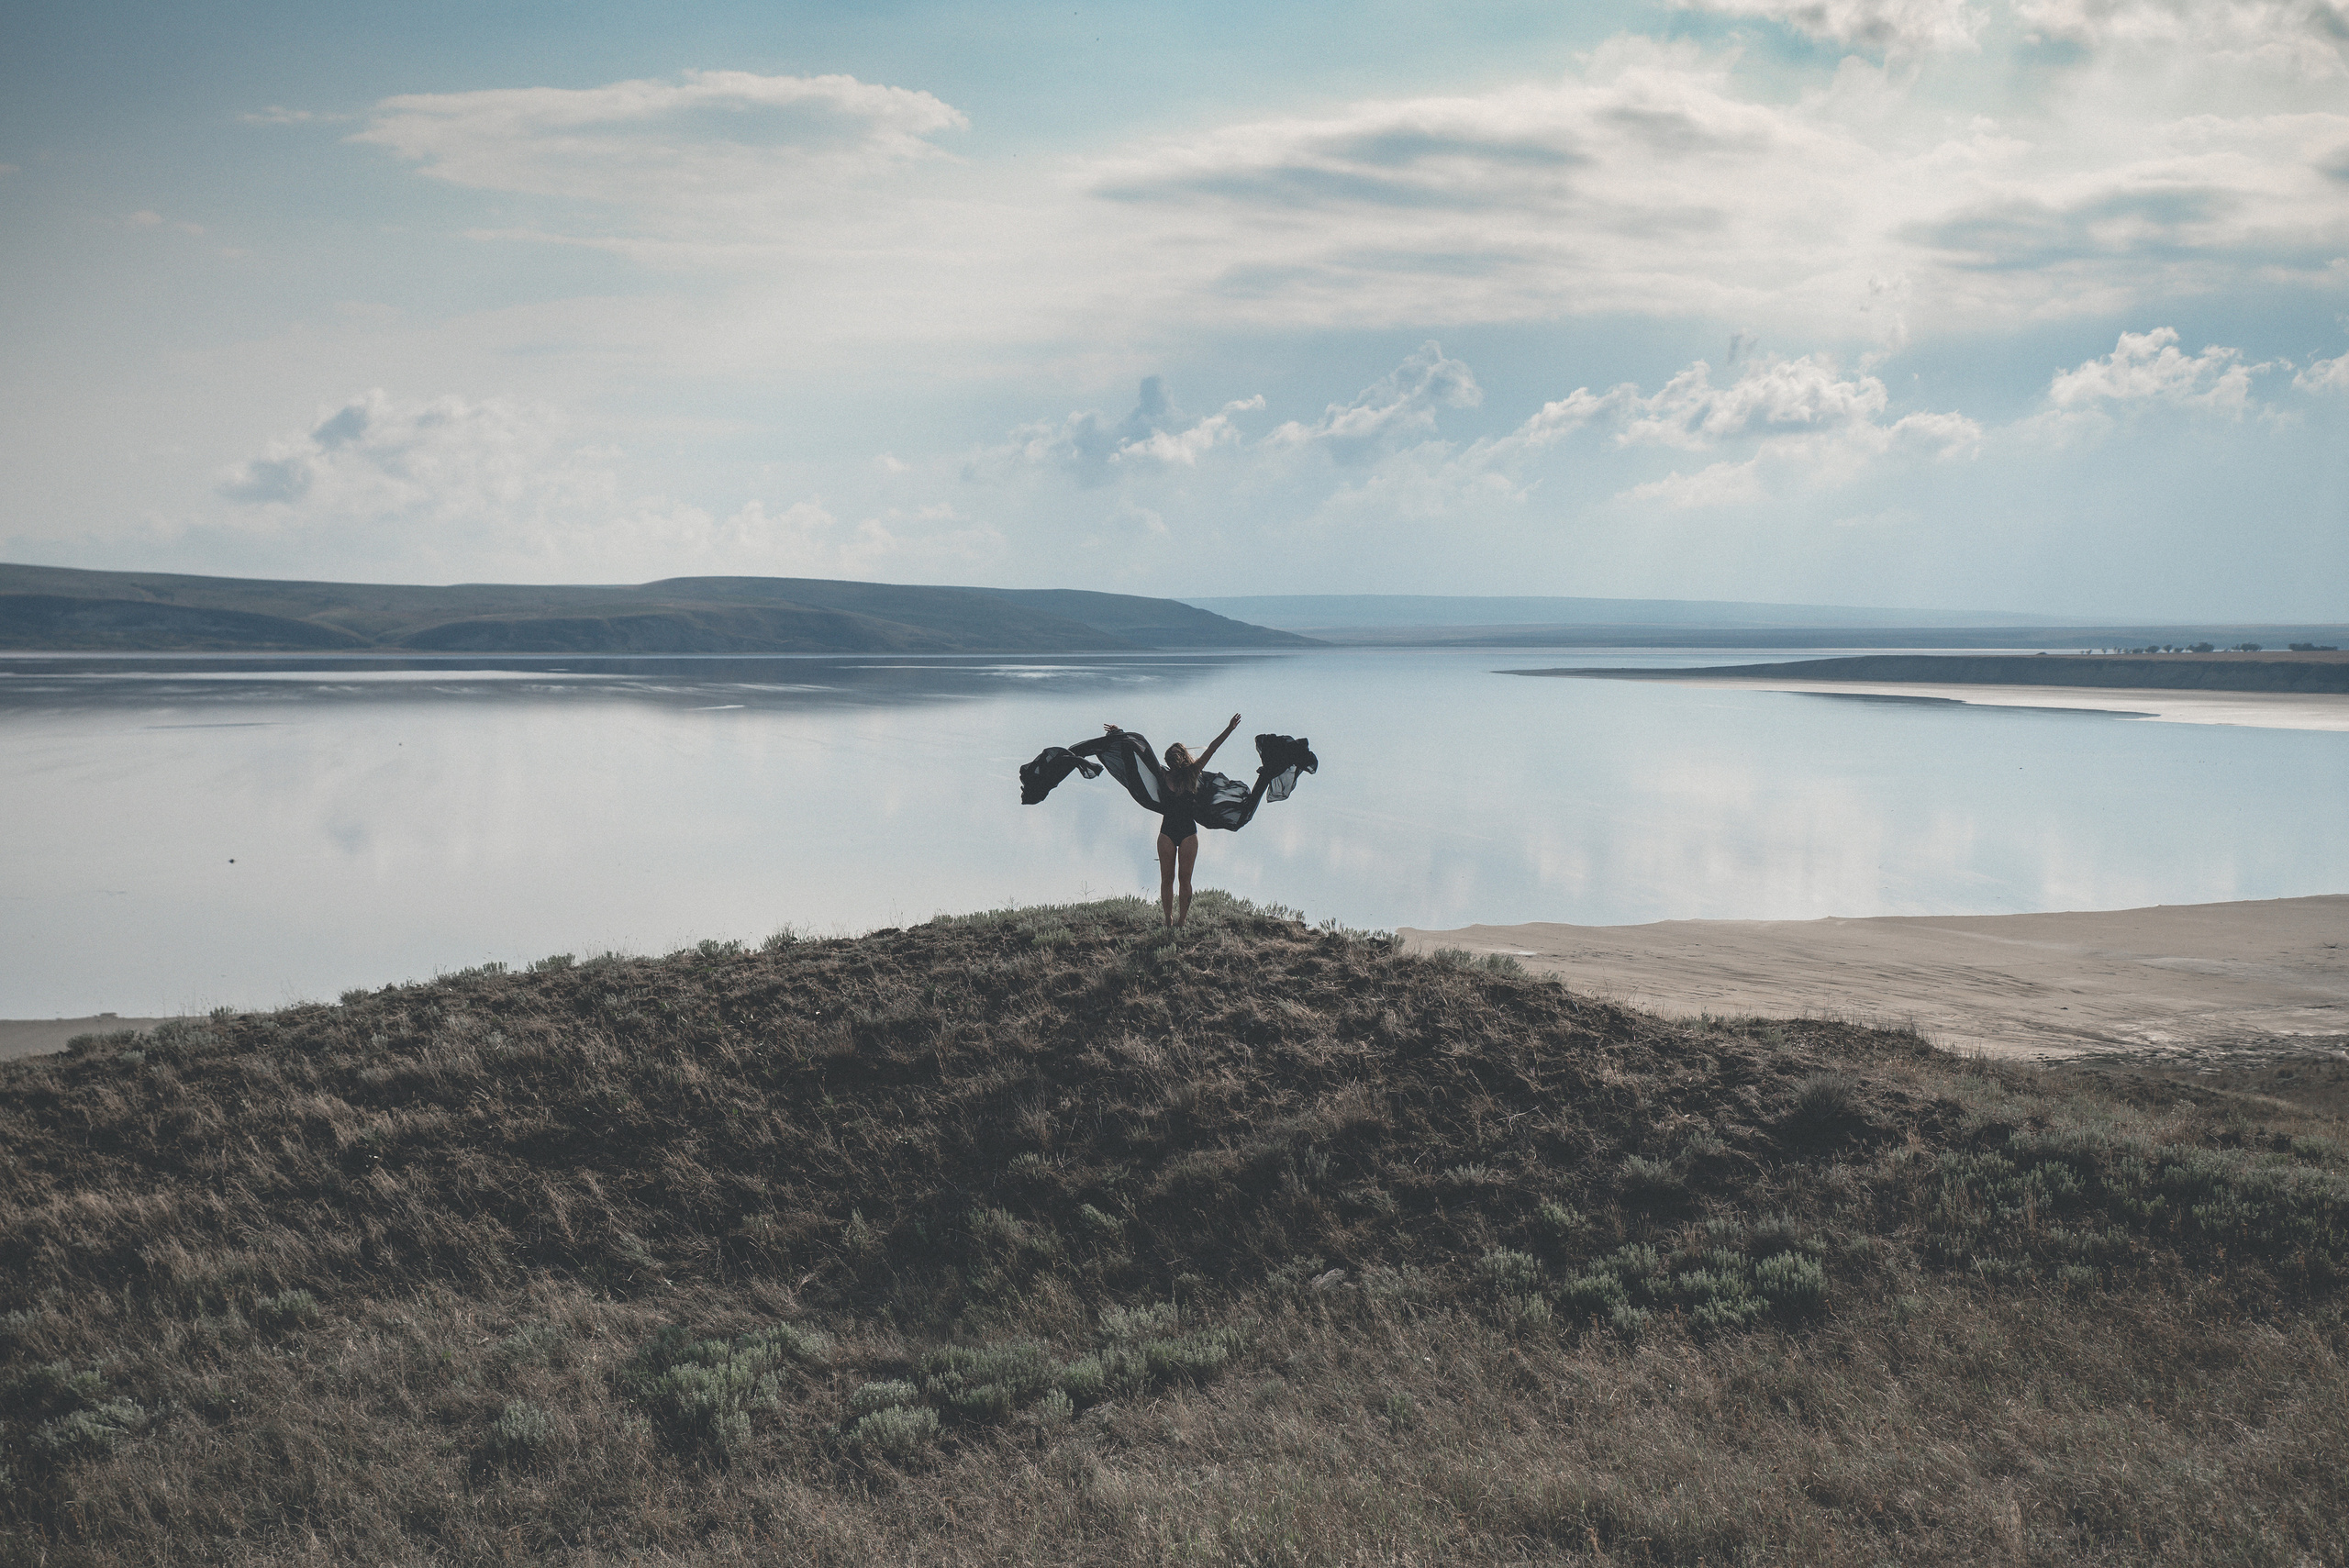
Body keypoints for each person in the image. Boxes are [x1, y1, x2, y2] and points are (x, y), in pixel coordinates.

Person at [1104, 713, 1240, 929]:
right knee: (1167, 879)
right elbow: (1141, 753)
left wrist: (1229, 729)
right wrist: (1119, 734)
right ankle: (1167, 919)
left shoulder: (1193, 773)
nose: (1173, 756)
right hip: (1167, 832)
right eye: (1171, 754)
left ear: (1183, 756)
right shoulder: (1161, 775)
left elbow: (1212, 748)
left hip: (1188, 833)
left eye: (1177, 752)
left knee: (1185, 879)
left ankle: (1182, 921)